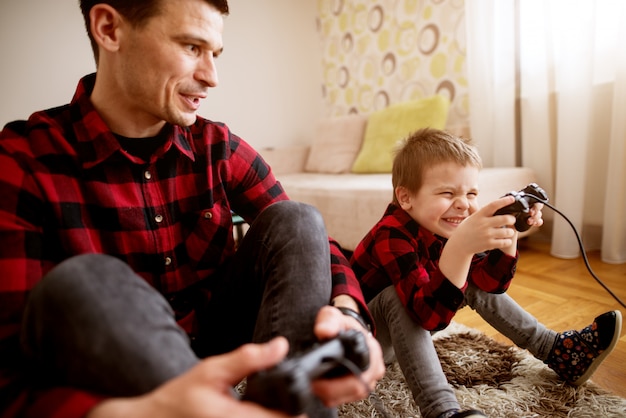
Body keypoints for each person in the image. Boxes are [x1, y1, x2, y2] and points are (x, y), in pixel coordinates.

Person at [0, 1, 386, 417]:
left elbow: (314, 245)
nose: (212, 77)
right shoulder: (23, 160)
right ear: (109, 29)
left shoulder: (217, 146)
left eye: (214, 54)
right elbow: (8, 370)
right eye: (191, 47)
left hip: (215, 331)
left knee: (299, 219)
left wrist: (351, 316)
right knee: (84, 280)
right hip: (117, 353)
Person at [350, 128, 622, 418]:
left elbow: (488, 284)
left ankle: (558, 352)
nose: (464, 204)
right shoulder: (391, 234)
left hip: (398, 338)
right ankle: (441, 410)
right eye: (447, 192)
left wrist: (508, 236)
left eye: (471, 193)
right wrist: (461, 249)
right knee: (397, 296)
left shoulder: (442, 225)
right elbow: (425, 315)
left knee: (468, 272)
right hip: (366, 343)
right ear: (405, 197)